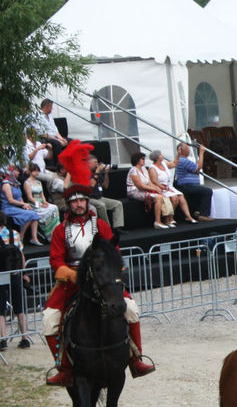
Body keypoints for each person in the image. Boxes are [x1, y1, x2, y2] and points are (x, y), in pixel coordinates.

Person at [44, 148, 155, 385]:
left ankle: (135, 358)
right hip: (72, 281)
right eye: (75, 202)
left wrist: (114, 272)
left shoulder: (101, 227)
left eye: (83, 200)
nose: (79, 205)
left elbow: (113, 252)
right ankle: (63, 367)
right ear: (69, 204)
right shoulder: (59, 231)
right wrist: (72, 276)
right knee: (49, 320)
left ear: (87, 202)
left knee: (131, 309)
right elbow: (56, 260)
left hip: (103, 280)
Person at [0, 212, 31, 350]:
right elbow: (21, 255)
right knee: (20, 307)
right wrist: (24, 272)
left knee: (0, 309)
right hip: (15, 273)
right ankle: (25, 338)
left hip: (1, 275)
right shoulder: (15, 234)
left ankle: (3, 339)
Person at [148, 150, 197, 226]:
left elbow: (174, 164)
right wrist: (163, 187)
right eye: (161, 155)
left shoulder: (164, 163)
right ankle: (168, 219)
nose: (162, 155)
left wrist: (178, 155)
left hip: (168, 186)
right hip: (160, 188)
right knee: (174, 198)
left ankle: (188, 216)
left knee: (181, 196)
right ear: (158, 157)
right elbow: (154, 181)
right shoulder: (152, 168)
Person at [1, 166, 42, 244]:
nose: (18, 172)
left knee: (33, 213)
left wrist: (24, 205)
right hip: (8, 208)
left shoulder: (16, 183)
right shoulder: (6, 184)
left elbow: (20, 198)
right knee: (31, 215)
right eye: (16, 171)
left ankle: (34, 238)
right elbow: (10, 200)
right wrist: (23, 204)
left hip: (17, 207)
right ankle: (21, 237)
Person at [126, 152, 167, 229]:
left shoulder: (144, 169)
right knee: (158, 197)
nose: (144, 160)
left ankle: (167, 220)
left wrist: (157, 188)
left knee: (162, 195)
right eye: (142, 159)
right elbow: (140, 185)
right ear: (137, 160)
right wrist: (155, 189)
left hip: (143, 190)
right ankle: (157, 221)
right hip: (134, 192)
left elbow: (149, 183)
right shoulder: (133, 170)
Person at [173, 143, 213, 220]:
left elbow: (196, 167)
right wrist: (201, 153)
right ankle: (203, 214)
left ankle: (198, 211)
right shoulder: (182, 160)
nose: (189, 150)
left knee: (202, 191)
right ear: (181, 150)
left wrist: (196, 168)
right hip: (186, 186)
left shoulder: (185, 160)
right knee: (208, 191)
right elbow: (199, 167)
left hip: (190, 185)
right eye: (187, 149)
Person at [85, 155, 125, 230]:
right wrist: (97, 172)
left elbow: (105, 186)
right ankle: (107, 228)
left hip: (99, 197)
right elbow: (91, 185)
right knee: (101, 205)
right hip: (89, 198)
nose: (97, 164)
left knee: (118, 204)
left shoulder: (96, 172)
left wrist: (106, 173)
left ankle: (117, 228)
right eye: (95, 162)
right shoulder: (85, 173)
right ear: (88, 163)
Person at [23, 162, 60, 237]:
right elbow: (29, 197)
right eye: (35, 171)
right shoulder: (27, 182)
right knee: (46, 211)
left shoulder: (39, 182)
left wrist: (45, 202)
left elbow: (42, 195)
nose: (37, 172)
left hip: (41, 202)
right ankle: (47, 233)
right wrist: (39, 204)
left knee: (54, 208)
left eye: (37, 171)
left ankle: (55, 232)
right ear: (30, 171)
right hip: (33, 204)